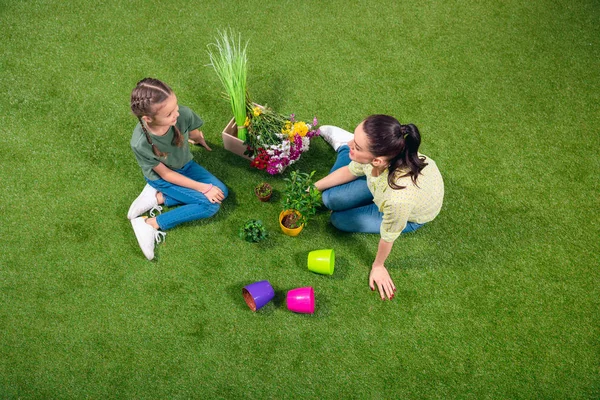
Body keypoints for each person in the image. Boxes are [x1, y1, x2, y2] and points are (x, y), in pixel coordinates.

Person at [314, 115, 444, 300]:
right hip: (381, 183)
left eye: (356, 146)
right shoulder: (380, 157)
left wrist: (378, 266)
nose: (352, 143)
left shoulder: (398, 200)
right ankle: (344, 149)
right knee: (329, 199)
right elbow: (352, 170)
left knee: (338, 219)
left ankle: (343, 150)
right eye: (354, 140)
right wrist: (312, 188)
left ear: (377, 160)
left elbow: (388, 236)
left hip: (408, 215)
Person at [128, 78, 228, 260]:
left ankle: (157, 198)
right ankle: (151, 224)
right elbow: (166, 174)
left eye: (175, 107)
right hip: (163, 178)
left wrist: (198, 139)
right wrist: (203, 188)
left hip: (186, 166)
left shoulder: (182, 114)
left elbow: (193, 130)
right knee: (209, 205)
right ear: (148, 118)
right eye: (169, 114)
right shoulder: (140, 143)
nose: (176, 114)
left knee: (222, 192)